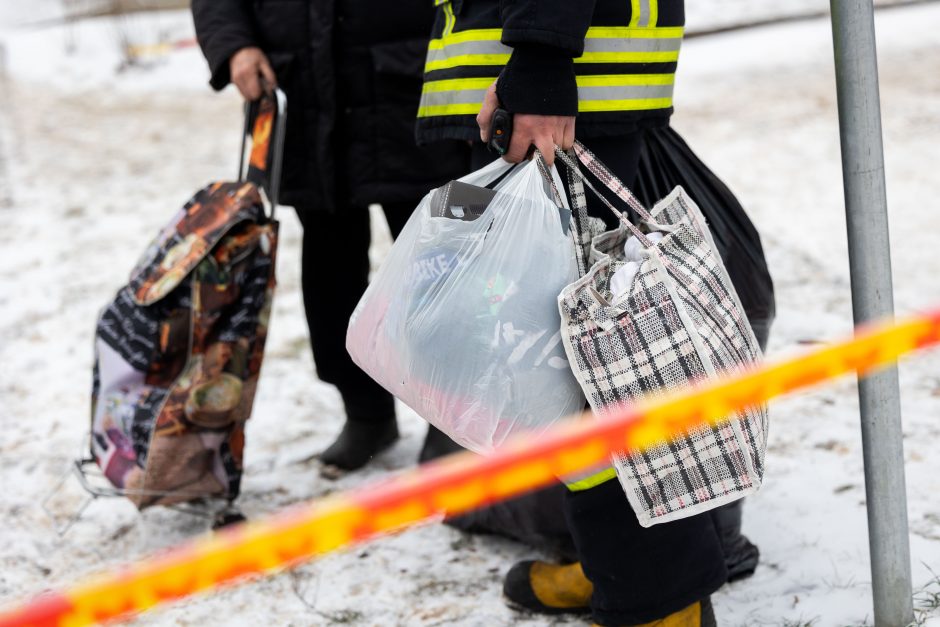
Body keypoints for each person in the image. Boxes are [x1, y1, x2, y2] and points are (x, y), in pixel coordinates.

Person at [416, 1, 734, 625]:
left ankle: (663, 603)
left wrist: (540, 60)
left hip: (551, 88)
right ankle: (619, 570)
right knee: (556, 373)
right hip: (527, 85)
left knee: (599, 369)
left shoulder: (544, 72)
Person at [191, 0, 470, 472]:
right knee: (329, 272)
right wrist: (233, 46)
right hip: (302, 90)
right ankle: (365, 411)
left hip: (413, 82)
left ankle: (452, 418)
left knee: (440, 261)